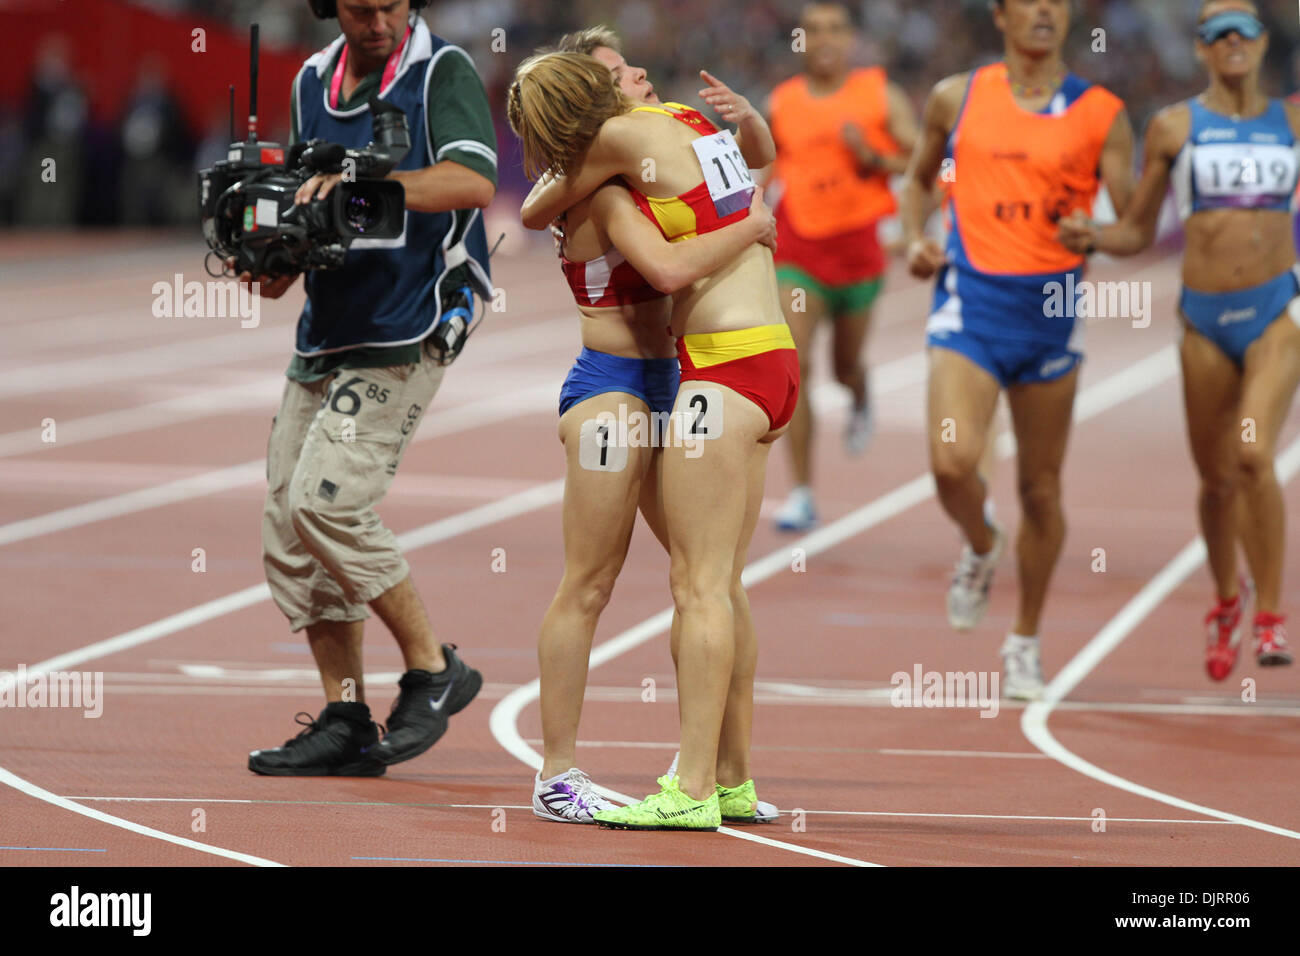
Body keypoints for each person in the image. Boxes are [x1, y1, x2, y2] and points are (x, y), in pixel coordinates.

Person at [511, 51, 794, 830]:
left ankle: (725, 775)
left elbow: (732, 169)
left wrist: (749, 159)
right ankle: (558, 772)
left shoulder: (638, 159)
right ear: (589, 99)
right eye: (617, 71)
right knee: (593, 583)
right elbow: (663, 267)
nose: (635, 75)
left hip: (687, 378)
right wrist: (752, 225)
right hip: (613, 392)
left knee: (714, 584)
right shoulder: (602, 186)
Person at [242, 0, 497, 775]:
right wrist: (270, 244)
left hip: (411, 319)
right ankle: (346, 714)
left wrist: (356, 185)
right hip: (329, 326)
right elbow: (301, 202)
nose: (379, 19)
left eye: (393, 4)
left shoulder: (438, 70)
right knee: (291, 527)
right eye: (360, 7)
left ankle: (432, 669)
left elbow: (473, 179)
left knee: (327, 499)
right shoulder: (311, 80)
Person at [898, 0, 1134, 699]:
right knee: (950, 462)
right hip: (971, 305)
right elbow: (917, 182)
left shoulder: (1101, 112)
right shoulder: (957, 95)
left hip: (1052, 316)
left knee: (1040, 487)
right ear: (1000, 15)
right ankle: (980, 542)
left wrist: (1099, 234)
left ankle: (1025, 638)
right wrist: (916, 238)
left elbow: (1136, 225)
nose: (1044, 11)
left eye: (1057, 3)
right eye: (1029, 1)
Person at [1059, 0, 1296, 679]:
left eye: (1243, 31)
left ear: (1258, 42)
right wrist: (1095, 236)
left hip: (1276, 310)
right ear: (1200, 49)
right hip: (1201, 318)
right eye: (1217, 34)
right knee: (1217, 479)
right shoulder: (1171, 126)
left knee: (1254, 454)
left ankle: (1272, 614)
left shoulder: (1291, 122)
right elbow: (1136, 230)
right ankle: (1227, 600)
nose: (1231, 43)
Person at [767, 1, 919, 532]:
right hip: (798, 250)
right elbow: (763, 168)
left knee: (843, 365)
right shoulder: (782, 102)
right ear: (801, 40)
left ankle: (860, 392)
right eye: (813, 30)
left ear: (851, 38)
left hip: (858, 254)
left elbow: (922, 161)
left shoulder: (879, 93)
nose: (824, 38)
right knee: (796, 363)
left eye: (834, 29)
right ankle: (803, 493)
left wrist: (873, 157)